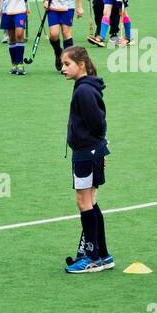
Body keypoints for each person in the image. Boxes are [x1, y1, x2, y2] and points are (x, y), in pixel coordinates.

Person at [62, 46, 113, 273]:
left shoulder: (84, 91)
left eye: (67, 64)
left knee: (84, 203)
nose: (63, 68)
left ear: (81, 64)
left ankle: (92, 257)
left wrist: (98, 148)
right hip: (90, 152)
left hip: (86, 153)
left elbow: (98, 123)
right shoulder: (84, 87)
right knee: (90, 202)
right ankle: (102, 254)